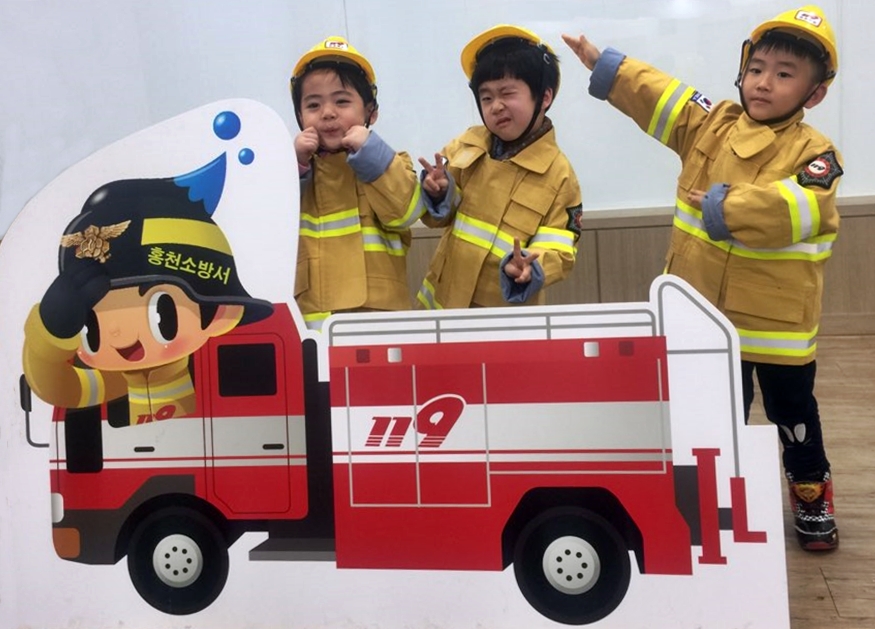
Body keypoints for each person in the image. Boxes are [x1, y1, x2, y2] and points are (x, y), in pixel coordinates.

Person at [563, 5, 842, 550]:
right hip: (707, 320)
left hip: (778, 332)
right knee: (713, 421)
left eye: (784, 74)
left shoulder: (816, 153)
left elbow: (802, 208)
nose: (764, 82)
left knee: (795, 419)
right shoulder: (713, 124)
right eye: (757, 68)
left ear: (814, 94)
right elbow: (661, 95)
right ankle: (710, 504)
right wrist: (607, 67)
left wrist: (723, 206)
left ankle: (812, 497)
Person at [22, 159, 274, 426]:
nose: (119, 334)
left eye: (161, 314)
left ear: (220, 314)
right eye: (90, 325)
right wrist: (50, 333)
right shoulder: (117, 380)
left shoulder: (214, 370)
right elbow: (59, 388)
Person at [417, 25, 582, 309]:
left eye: (507, 93)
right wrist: (437, 192)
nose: (496, 106)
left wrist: (532, 266)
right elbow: (437, 217)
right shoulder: (466, 144)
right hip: (440, 308)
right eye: (487, 97)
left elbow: (561, 248)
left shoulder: (559, 175)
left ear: (544, 97)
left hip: (503, 318)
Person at [290, 36, 422, 331]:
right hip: (315, 324)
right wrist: (293, 163)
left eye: (342, 101)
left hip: (380, 321)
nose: (328, 112)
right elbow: (267, 225)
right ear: (300, 116)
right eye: (313, 104)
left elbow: (406, 214)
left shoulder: (391, 161)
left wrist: (372, 153)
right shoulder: (290, 172)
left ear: (370, 111)